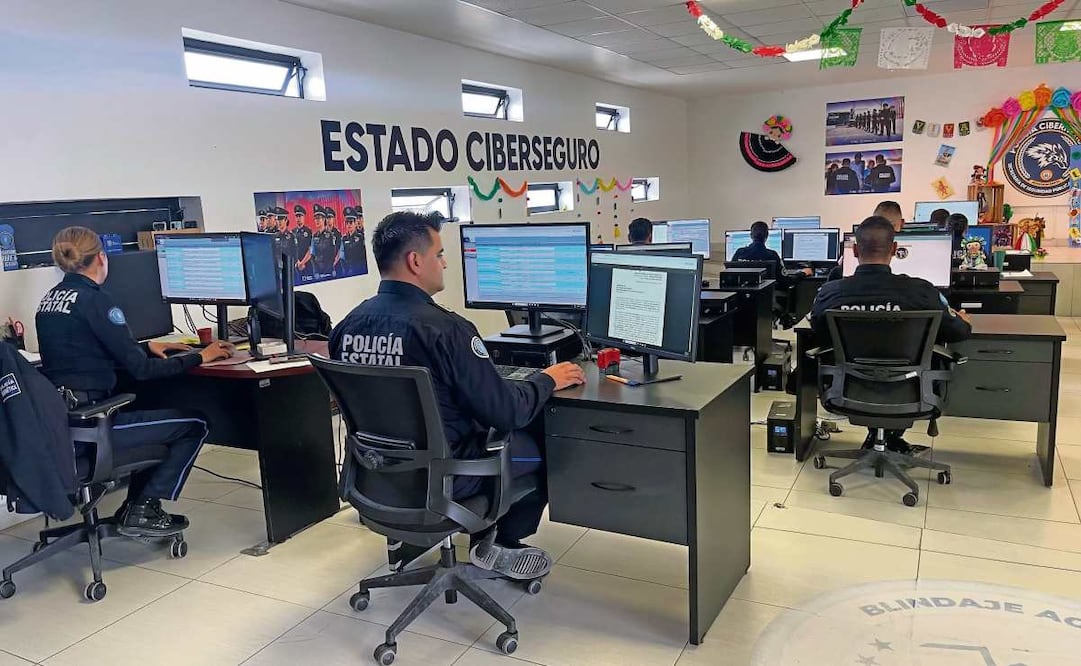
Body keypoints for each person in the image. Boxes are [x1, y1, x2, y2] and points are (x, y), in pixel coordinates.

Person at [329, 211, 585, 579]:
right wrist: (547, 380)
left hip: (378, 479)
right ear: (416, 262)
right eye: (440, 254)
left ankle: (437, 542)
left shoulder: (346, 327)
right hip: (446, 480)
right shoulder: (447, 331)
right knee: (537, 437)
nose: (445, 263)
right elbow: (507, 412)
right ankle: (498, 542)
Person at [35, 227, 235, 537]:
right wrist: (201, 356)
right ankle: (141, 509)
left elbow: (83, 353)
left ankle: (136, 507)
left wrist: (145, 347)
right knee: (195, 422)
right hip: (94, 423)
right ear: (101, 258)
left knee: (157, 406)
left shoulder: (48, 302)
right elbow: (142, 372)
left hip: (62, 423)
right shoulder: (96, 301)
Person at [812, 216, 971, 453]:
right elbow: (958, 332)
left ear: (854, 250)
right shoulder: (922, 292)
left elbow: (817, 329)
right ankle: (891, 438)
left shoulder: (830, 292)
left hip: (848, 389)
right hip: (911, 391)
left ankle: (882, 439)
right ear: (895, 249)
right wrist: (962, 319)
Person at [311, 206, 341, 279]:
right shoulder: (314, 236)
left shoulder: (330, 235)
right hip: (318, 272)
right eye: (315, 218)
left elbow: (333, 255)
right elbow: (312, 255)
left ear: (324, 219)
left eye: (319, 218)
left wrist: (330, 269)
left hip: (328, 271)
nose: (317, 221)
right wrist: (315, 271)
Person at [340, 206, 368, 276]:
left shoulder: (362, 237)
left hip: (361, 271)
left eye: (351, 222)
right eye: (347, 222)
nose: (349, 225)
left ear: (355, 223)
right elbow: (342, 257)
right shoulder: (344, 239)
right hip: (349, 272)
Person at [291, 204, 314, 281]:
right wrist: (297, 262)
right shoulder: (292, 232)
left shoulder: (308, 231)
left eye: (300, 216)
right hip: (296, 265)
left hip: (307, 264)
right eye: (296, 216)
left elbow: (310, 249)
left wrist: (302, 263)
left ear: (304, 217)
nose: (298, 218)